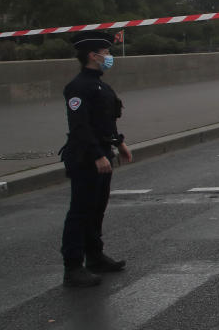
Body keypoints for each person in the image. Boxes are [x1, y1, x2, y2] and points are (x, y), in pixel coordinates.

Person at [59, 31, 133, 287]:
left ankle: (95, 256)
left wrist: (119, 143)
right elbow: (80, 126)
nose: (109, 56)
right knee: (80, 211)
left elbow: (106, 120)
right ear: (93, 55)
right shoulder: (78, 87)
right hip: (85, 157)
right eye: (106, 53)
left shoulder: (101, 84)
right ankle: (73, 266)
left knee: (96, 209)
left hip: (102, 153)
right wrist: (97, 155)